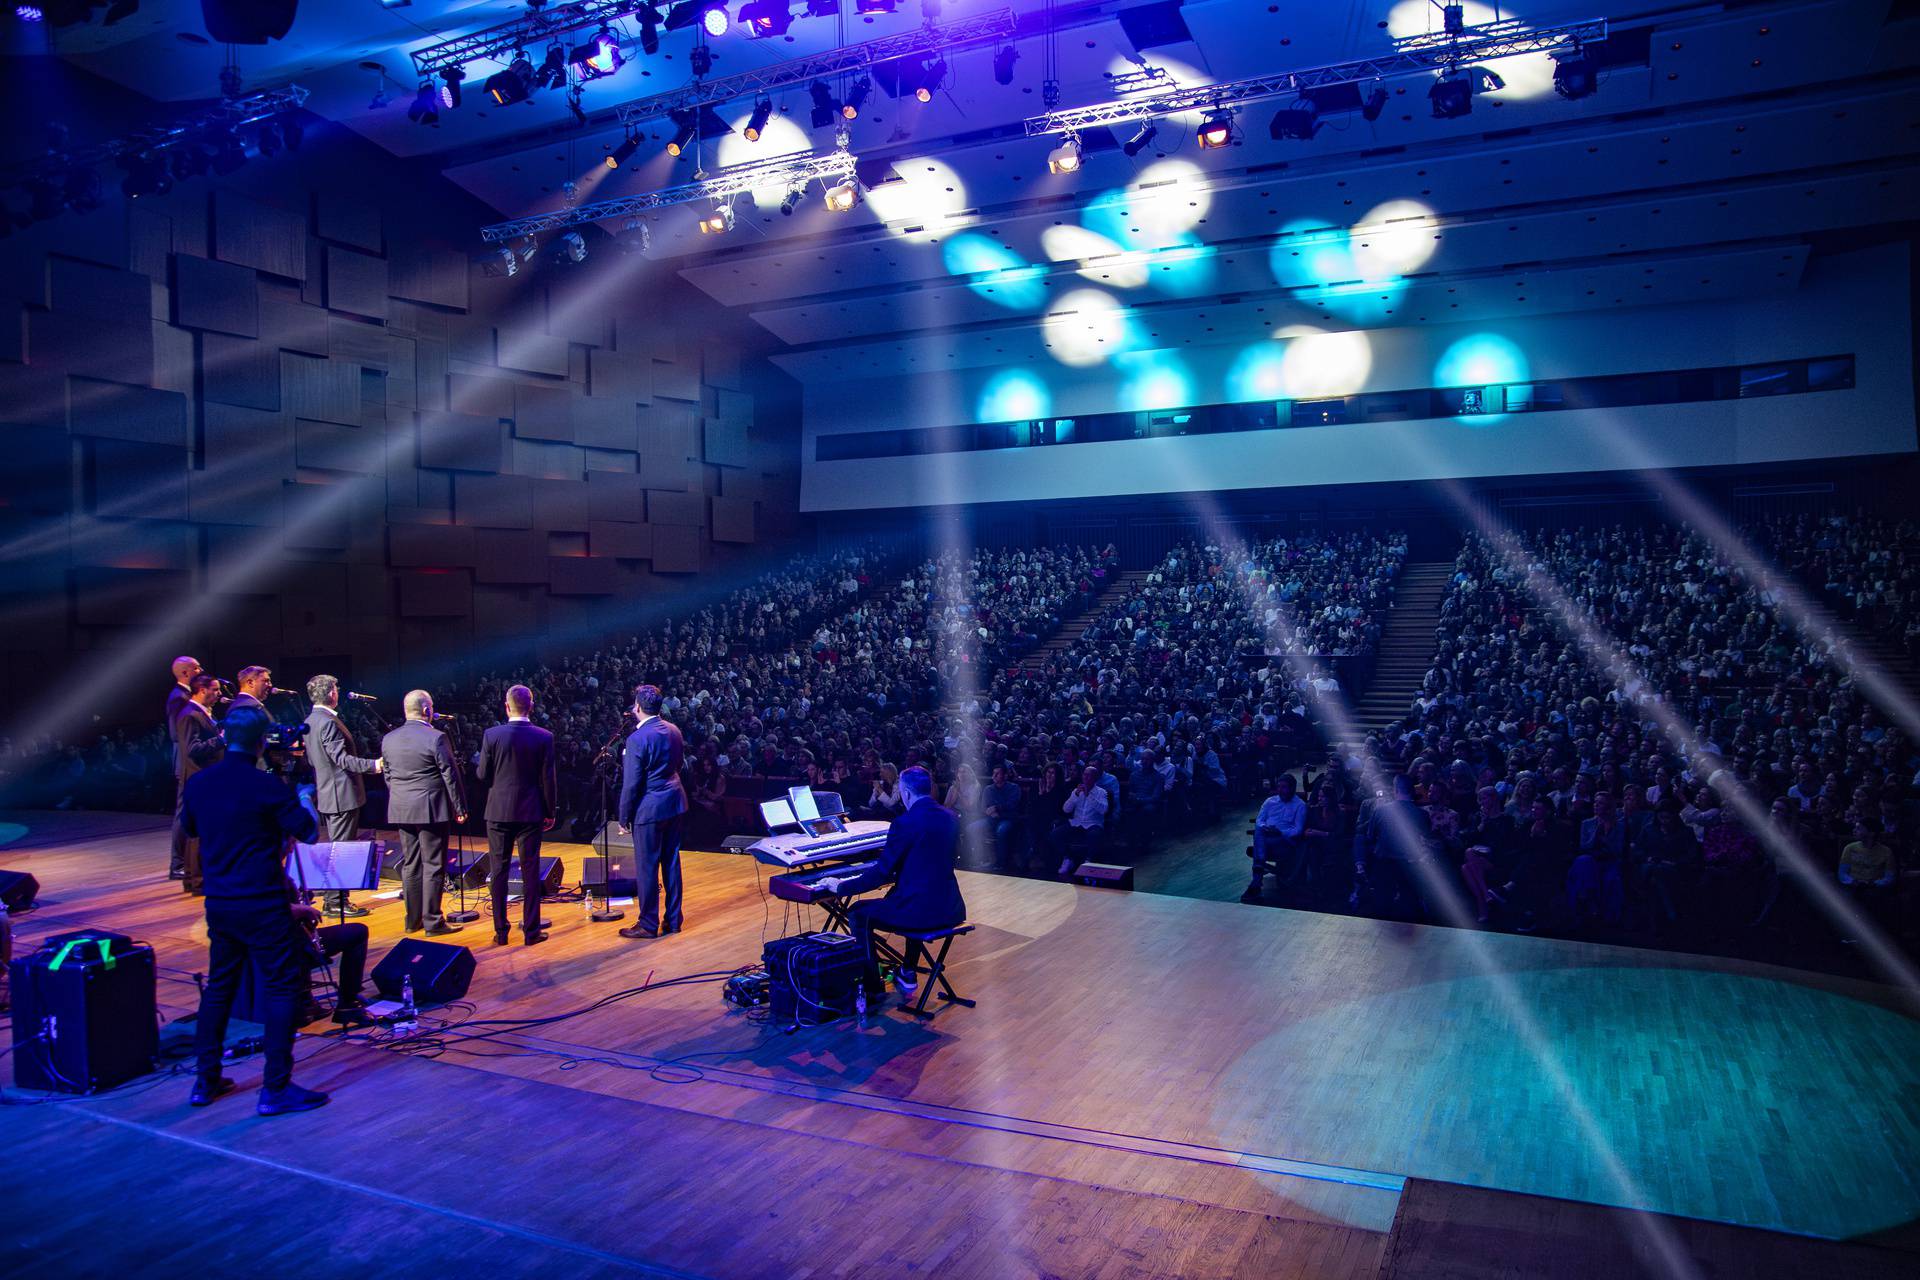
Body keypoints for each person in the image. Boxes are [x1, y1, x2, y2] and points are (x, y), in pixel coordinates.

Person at [180, 703, 330, 1116]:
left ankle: (204, 1081)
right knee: (282, 989)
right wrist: (301, 796)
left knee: (218, 990)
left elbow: (191, 829)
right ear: (263, 743)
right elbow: (308, 832)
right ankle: (275, 1089)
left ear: (226, 736)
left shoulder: (200, 783)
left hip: (221, 904)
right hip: (263, 903)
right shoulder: (267, 786)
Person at [820, 766, 966, 1004]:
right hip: (950, 908)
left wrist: (841, 887)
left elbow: (880, 873)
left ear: (906, 793)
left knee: (858, 912)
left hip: (921, 912)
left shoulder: (904, 822)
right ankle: (907, 971)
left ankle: (872, 987)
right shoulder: (950, 817)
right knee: (900, 896)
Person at [474, 684, 557, 947]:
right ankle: (531, 932)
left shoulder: (492, 734)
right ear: (532, 706)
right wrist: (550, 810)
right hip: (530, 810)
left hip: (498, 810)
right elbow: (548, 779)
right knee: (530, 871)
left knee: (498, 870)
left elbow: (482, 775)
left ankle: (501, 932)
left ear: (506, 706)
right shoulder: (544, 736)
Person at [380, 690, 467, 937]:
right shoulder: (436, 737)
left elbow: (388, 775)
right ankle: (433, 921)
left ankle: (412, 920)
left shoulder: (389, 739)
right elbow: (450, 774)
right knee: (433, 865)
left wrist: (401, 797)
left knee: (411, 864)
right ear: (428, 710)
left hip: (401, 808)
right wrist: (459, 808)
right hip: (431, 809)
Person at [302, 675, 379, 919]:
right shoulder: (327, 722)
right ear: (331, 694)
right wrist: (374, 765)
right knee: (342, 849)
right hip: (340, 793)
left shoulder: (311, 720)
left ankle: (334, 899)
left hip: (328, 790)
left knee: (338, 847)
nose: (337, 692)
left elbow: (314, 760)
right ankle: (336, 902)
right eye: (336, 688)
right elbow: (341, 759)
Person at [616, 684, 686, 939]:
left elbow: (631, 783)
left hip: (649, 809)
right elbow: (678, 765)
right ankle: (674, 919)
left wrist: (624, 817)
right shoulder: (674, 730)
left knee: (647, 867)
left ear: (637, 707)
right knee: (671, 863)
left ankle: (647, 923)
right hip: (675, 802)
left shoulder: (637, 739)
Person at [172, 673, 225, 896]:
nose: (219, 694)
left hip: (205, 779)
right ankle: (197, 881)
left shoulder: (199, 713)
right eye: (215, 690)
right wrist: (222, 739)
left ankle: (197, 880)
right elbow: (192, 749)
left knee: (202, 832)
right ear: (202, 690)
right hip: (199, 779)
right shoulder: (190, 715)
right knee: (198, 833)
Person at [166, 654, 201, 882]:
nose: (201, 671)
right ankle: (177, 863)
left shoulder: (185, 695)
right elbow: (176, 733)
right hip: (186, 760)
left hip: (190, 759)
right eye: (197, 668)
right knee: (183, 813)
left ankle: (187, 862)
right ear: (186, 672)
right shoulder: (179, 697)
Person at [1246, 773, 1307, 901]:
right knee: (1260, 830)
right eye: (1279, 787)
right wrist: (1265, 827)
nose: (1280, 790)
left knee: (1259, 837)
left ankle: (1258, 870)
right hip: (1267, 837)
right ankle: (1256, 882)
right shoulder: (1270, 801)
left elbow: (1298, 829)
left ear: (1292, 788)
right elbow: (1259, 820)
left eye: (1284, 787)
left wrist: (1280, 832)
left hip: (1285, 840)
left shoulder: (1300, 805)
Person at [1057, 765, 1109, 875]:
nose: (1086, 777)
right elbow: (1066, 809)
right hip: (1076, 822)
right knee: (1055, 834)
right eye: (1085, 774)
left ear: (1095, 778)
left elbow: (1103, 810)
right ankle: (1067, 858)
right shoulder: (1076, 791)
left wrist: (1088, 795)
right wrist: (1075, 795)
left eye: (1090, 775)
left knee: (1094, 835)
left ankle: (1088, 862)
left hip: (1093, 823)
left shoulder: (1102, 792)